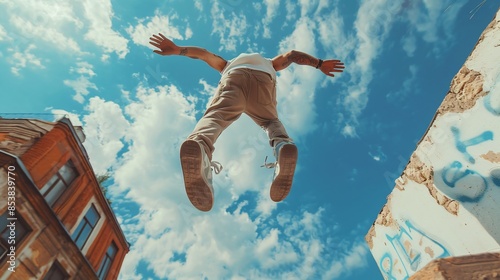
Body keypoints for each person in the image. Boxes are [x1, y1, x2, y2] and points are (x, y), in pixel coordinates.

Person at [149, 33, 345, 211]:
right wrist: (319, 64)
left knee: (216, 116)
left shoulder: (227, 64)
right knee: (270, 122)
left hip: (233, 78)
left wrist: (177, 50)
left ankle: (200, 145)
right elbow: (292, 55)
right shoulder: (269, 62)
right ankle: (282, 145)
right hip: (264, 81)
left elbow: (204, 54)